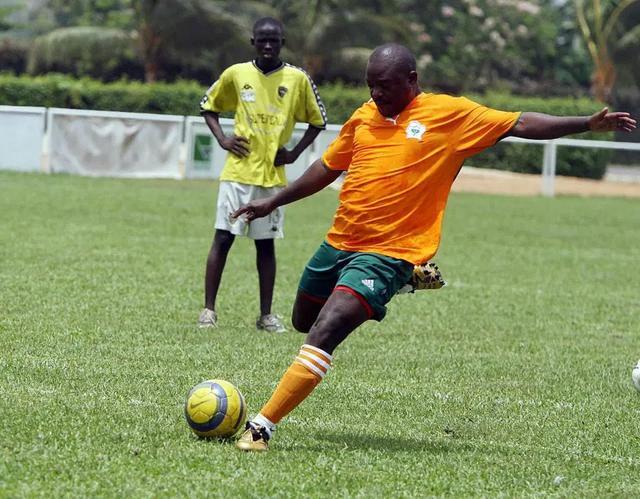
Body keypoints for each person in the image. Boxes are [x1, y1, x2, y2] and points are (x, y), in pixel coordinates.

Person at [231, 43, 636, 451]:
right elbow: (326, 168)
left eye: (384, 85)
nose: (375, 94)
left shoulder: (450, 114)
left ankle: (262, 427)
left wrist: (585, 123)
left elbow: (520, 123)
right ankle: (406, 278)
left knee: (324, 330)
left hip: (389, 251)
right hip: (340, 242)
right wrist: (273, 200)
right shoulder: (364, 116)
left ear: (412, 81)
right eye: (370, 85)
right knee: (304, 318)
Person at [197, 17, 327, 332]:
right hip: (237, 173)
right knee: (223, 238)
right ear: (253, 42)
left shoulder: (297, 79)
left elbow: (318, 120)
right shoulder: (236, 73)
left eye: (274, 40)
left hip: (272, 179)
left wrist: (295, 153)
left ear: (282, 42)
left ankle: (266, 315)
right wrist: (223, 139)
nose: (268, 45)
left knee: (265, 246)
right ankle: (208, 310)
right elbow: (208, 106)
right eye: (262, 40)